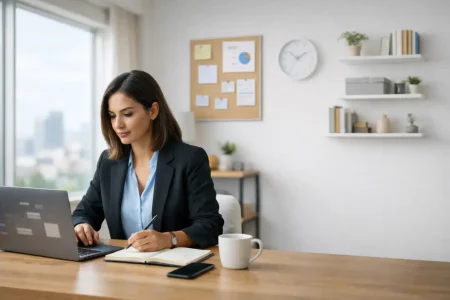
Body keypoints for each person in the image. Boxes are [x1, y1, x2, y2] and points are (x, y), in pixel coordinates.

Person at [72, 70, 224, 252]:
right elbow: (83, 213)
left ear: (153, 111)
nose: (117, 124)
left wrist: (170, 239)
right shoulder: (108, 162)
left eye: (127, 114)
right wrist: (81, 226)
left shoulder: (190, 159)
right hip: (122, 269)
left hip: (176, 270)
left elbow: (211, 225)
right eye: (112, 115)